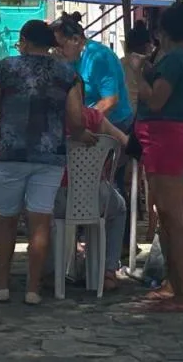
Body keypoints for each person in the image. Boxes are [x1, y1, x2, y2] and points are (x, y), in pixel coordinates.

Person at [0, 19, 84, 306]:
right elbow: (77, 119)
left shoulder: (6, 68)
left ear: (24, 41)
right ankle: (33, 288)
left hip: (10, 153)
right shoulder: (66, 73)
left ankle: (2, 285)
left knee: (5, 219)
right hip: (49, 155)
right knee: (40, 221)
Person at [135, 0, 183, 313]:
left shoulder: (176, 58)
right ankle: (175, 285)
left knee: (172, 217)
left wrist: (138, 76)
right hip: (171, 135)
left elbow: (156, 100)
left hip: (167, 137)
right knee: (166, 215)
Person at [47, 86, 129, 292]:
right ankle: (108, 270)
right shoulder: (93, 117)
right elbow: (123, 141)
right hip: (95, 195)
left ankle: (47, 270)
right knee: (119, 209)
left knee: (34, 208)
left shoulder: (46, 118)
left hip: (55, 197)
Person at [52, 12, 134, 133]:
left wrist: (86, 121)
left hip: (115, 123)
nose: (57, 51)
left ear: (75, 39)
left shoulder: (99, 58)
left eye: (60, 46)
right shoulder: (67, 58)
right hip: (87, 118)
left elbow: (110, 101)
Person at [121, 22, 153, 115]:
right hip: (137, 113)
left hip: (120, 112)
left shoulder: (119, 62)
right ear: (146, 45)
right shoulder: (146, 67)